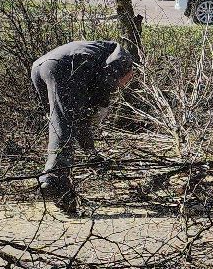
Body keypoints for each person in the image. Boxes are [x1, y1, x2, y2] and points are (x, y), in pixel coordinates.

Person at [30, 39, 139, 216]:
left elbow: (80, 122)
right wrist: (101, 108)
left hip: (39, 67)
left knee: (60, 121)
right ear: (130, 73)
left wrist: (91, 155)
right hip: (64, 66)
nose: (124, 86)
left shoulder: (102, 55)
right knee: (63, 123)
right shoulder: (123, 61)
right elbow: (101, 93)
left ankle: (61, 190)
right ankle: (53, 177)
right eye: (126, 82)